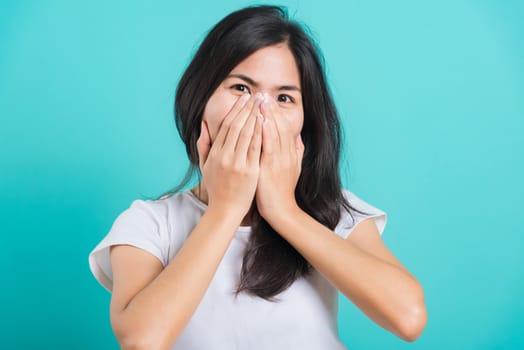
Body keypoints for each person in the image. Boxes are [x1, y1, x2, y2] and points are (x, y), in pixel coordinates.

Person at [88, 5, 427, 349]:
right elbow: (142, 340)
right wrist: (225, 209)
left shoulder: (333, 211)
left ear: (304, 123)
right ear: (200, 99)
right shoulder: (149, 223)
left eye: (284, 97)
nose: (260, 111)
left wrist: (283, 211)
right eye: (241, 88)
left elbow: (409, 317)